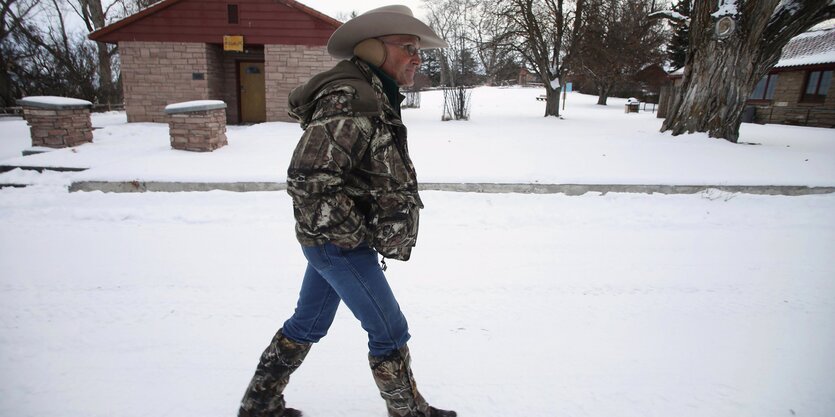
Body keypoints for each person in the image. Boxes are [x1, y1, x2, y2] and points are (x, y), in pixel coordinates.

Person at [237, 5, 456, 417]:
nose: (417, 57)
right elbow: (308, 178)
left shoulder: (373, 95)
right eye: (408, 47)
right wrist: (352, 237)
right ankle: (408, 412)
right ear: (373, 50)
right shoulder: (352, 100)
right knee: (389, 329)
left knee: (308, 323)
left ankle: (260, 404)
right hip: (338, 243)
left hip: (330, 240)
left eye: (419, 50)